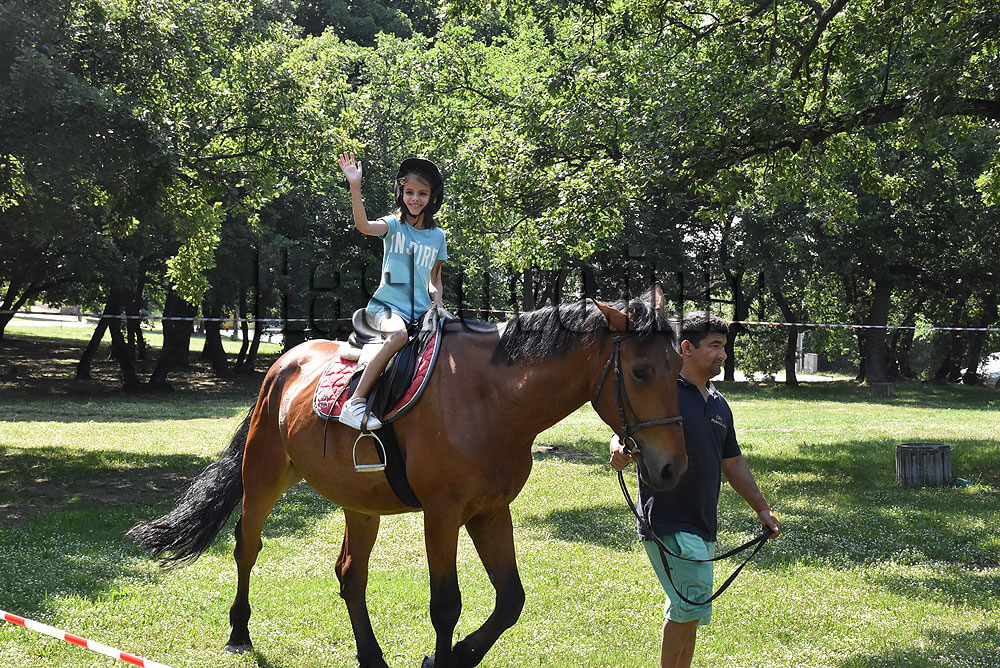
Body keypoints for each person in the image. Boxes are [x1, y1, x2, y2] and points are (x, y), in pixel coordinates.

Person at [609, 310, 781, 668]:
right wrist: (619, 449)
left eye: (724, 346)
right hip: (667, 518)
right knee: (689, 605)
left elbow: (733, 462)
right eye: (715, 346)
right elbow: (622, 431)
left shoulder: (719, 404)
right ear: (686, 348)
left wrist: (762, 508)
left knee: (691, 608)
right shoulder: (665, 390)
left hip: (703, 522)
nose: (723, 354)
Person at [337, 151, 447, 431]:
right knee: (398, 336)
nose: (415, 199)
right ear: (401, 194)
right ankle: (355, 403)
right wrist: (355, 186)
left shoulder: (438, 236)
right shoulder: (394, 226)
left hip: (420, 313)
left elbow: (435, 279)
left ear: (432, 198)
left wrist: (437, 300)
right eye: (409, 192)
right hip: (386, 309)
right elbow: (363, 226)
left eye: (422, 194)